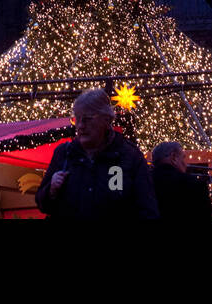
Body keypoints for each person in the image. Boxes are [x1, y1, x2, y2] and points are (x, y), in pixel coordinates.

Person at [36, 88, 158, 219]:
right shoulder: (64, 153)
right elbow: (43, 204)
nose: (81, 125)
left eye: (87, 119)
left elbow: (147, 209)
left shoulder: (129, 156)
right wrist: (51, 190)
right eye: (77, 119)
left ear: (106, 120)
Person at [150, 141, 212, 222]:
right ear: (174, 157)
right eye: (183, 157)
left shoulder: (143, 184)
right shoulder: (194, 185)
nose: (186, 164)